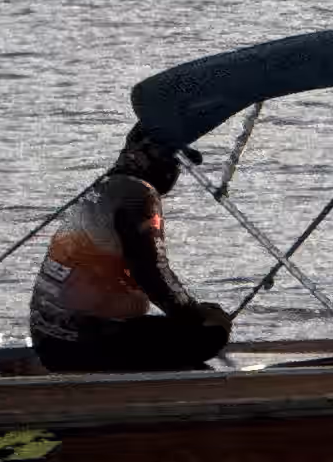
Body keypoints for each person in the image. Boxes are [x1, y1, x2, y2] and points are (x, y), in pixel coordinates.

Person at [29, 128, 232, 372]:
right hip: (79, 343)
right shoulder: (137, 193)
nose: (175, 171)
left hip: (52, 338)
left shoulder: (107, 186)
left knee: (192, 322)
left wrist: (191, 311)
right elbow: (151, 273)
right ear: (148, 157)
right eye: (171, 161)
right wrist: (196, 315)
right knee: (209, 335)